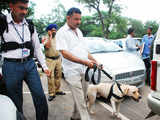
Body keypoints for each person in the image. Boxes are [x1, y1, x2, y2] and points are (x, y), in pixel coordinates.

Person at [1, 0, 50, 120]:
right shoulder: (2, 23)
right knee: (15, 101)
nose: (24, 12)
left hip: (29, 64)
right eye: (21, 8)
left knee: (40, 96)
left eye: (26, 8)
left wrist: (44, 66)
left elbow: (37, 47)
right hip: (10, 66)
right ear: (11, 5)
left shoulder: (29, 25)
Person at [56, 7, 99, 120]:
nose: (78, 22)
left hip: (84, 71)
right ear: (68, 18)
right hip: (72, 72)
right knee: (81, 103)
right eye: (76, 19)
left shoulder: (79, 32)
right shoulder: (61, 33)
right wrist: (84, 61)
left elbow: (85, 51)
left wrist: (95, 61)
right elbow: (64, 53)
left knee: (82, 99)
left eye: (80, 19)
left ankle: (74, 117)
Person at [43, 24, 65, 101]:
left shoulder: (58, 38)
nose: (54, 31)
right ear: (48, 31)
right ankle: (52, 93)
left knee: (58, 75)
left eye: (55, 30)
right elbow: (47, 46)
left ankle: (57, 90)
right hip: (50, 60)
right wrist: (50, 36)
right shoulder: (45, 38)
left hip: (58, 59)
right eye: (52, 30)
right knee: (50, 77)